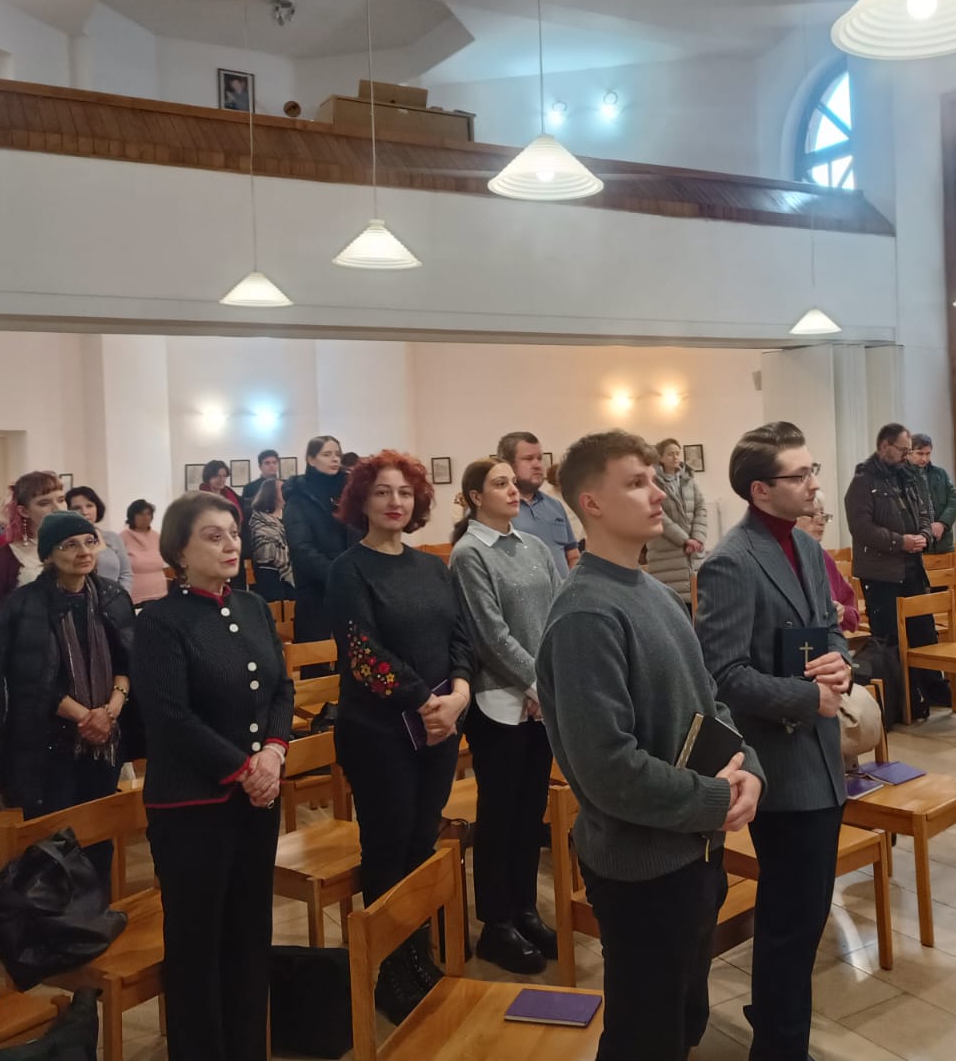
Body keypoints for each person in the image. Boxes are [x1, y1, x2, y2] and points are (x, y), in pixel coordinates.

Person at [537, 431, 763, 1061]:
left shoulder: (656, 593)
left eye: (653, 479)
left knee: (685, 1018)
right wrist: (716, 798)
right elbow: (609, 769)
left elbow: (709, 702)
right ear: (592, 503)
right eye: (636, 482)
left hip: (693, 851)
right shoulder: (586, 615)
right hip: (641, 868)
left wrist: (749, 770)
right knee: (645, 1036)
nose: (657, 492)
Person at [696, 421, 847, 1060]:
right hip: (779, 763)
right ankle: (779, 1048)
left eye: (813, 471)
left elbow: (828, 629)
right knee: (790, 919)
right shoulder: (732, 561)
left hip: (822, 754)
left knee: (806, 914)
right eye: (800, 474)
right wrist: (807, 698)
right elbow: (722, 674)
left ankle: (777, 1027)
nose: (814, 484)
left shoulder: (806, 547)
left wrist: (840, 665)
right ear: (761, 490)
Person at [130, 492, 294, 1061]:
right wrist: (242, 768)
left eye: (233, 533)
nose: (230, 544)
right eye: (213, 535)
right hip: (192, 807)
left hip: (257, 799)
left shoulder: (252, 606)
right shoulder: (159, 621)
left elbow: (280, 689)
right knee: (198, 945)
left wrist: (273, 752)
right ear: (180, 550)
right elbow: (169, 716)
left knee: (250, 934)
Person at [326, 451, 474, 1023]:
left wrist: (458, 695)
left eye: (405, 493)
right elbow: (364, 656)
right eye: (383, 492)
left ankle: (418, 954)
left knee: (420, 844)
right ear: (362, 501)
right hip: (379, 732)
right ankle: (389, 969)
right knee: (388, 848)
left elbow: (460, 636)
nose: (395, 502)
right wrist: (425, 701)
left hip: (438, 726)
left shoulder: (432, 567)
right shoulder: (349, 569)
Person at [449, 458, 562, 976]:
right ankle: (496, 923)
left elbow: (559, 611)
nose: (514, 490)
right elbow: (489, 635)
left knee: (530, 812)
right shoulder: (469, 553)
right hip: (498, 703)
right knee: (499, 816)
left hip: (540, 701)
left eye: (513, 482)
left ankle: (525, 910)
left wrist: (547, 685)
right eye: (500, 484)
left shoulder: (533, 546)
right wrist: (536, 683)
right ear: (476, 497)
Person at [0, 512, 135, 878]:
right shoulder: (24, 604)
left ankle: (97, 907)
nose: (84, 551)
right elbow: (27, 679)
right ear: (48, 554)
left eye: (90, 542)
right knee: (54, 844)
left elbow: (128, 663)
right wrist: (85, 716)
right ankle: (56, 912)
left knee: (99, 838)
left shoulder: (112, 597)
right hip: (48, 740)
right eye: (70, 545)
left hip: (105, 739)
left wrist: (109, 711)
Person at [844, 423, 948, 709]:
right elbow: (861, 528)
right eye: (903, 450)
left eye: (908, 450)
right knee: (890, 638)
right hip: (881, 574)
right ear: (884, 447)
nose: (906, 455)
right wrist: (900, 542)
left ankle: (934, 689)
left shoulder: (908, 477)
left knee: (924, 631)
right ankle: (904, 699)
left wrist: (924, 534)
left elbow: (925, 511)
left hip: (912, 567)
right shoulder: (863, 482)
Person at [0, 471, 69, 668]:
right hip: (28, 660)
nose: (57, 508)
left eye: (61, 499)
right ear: (24, 511)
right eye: (44, 503)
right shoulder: (2, 558)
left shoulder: (78, 548)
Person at [283, 435, 355, 643]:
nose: (335, 459)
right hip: (316, 592)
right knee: (317, 655)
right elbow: (301, 547)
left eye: (337, 454)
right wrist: (337, 575)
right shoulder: (298, 496)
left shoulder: (350, 492)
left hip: (352, 590)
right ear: (311, 459)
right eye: (327, 454)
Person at [497, 431, 579, 576]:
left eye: (540, 458)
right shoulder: (495, 510)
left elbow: (572, 555)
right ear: (507, 464)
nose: (537, 465)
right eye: (528, 459)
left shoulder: (555, 506)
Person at [646, 438, 708, 601]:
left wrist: (697, 538)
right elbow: (659, 515)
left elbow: (701, 508)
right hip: (667, 552)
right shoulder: (652, 482)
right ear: (660, 458)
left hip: (693, 550)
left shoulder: (688, 480)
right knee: (674, 601)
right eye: (670, 454)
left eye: (677, 453)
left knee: (697, 601)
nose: (675, 457)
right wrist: (684, 539)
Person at [797, 496, 859, 631]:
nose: (821, 522)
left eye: (822, 514)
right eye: (812, 514)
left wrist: (842, 612)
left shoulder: (824, 558)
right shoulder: (780, 560)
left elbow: (853, 614)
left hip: (831, 639)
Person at [66, 485, 132, 592]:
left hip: (115, 598)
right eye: (77, 508)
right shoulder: (65, 541)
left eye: (89, 506)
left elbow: (125, 573)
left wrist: (122, 597)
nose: (84, 512)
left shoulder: (112, 538)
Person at [909, 433, 956, 555]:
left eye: (928, 454)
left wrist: (942, 523)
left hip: (943, 544)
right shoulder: (901, 477)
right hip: (918, 545)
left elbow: (954, 502)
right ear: (909, 452)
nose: (924, 459)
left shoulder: (940, 474)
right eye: (920, 453)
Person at [247, 478, 294, 602]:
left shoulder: (290, 514)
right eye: (282, 489)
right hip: (268, 567)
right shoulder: (259, 518)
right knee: (273, 584)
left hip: (292, 564)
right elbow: (263, 548)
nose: (286, 491)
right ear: (272, 494)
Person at [121, 500, 167, 605]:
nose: (145, 517)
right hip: (136, 596)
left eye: (148, 514)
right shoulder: (122, 537)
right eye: (141, 514)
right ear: (132, 516)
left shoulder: (157, 536)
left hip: (160, 593)